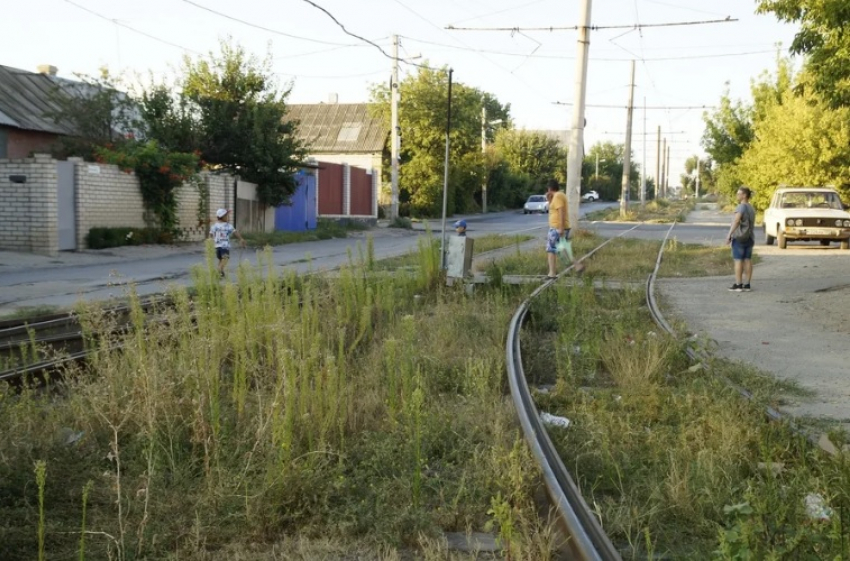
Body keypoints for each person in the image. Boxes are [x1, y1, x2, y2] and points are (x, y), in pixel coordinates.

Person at [726, 186, 755, 292]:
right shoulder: (751, 207)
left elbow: (737, 221)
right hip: (750, 237)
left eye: (739, 194)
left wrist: (729, 235)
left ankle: (738, 284)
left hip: (739, 238)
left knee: (738, 261)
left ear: (744, 195)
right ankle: (747, 284)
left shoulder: (741, 207)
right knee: (747, 260)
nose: (737, 195)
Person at [209, 208, 245, 279]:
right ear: (223, 216)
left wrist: (210, 241)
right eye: (226, 215)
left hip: (217, 247)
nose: (228, 217)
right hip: (224, 246)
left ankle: (221, 273)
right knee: (225, 259)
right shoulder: (228, 225)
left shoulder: (215, 226)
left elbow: (210, 234)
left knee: (220, 260)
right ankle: (218, 271)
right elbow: (235, 232)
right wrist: (241, 239)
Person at [545, 179, 570, 278]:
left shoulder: (558, 196)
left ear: (549, 188)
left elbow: (561, 211)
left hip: (556, 228)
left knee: (551, 250)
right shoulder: (558, 196)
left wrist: (561, 228)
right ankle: (574, 267)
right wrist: (549, 200)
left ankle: (552, 273)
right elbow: (554, 209)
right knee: (560, 250)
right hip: (558, 228)